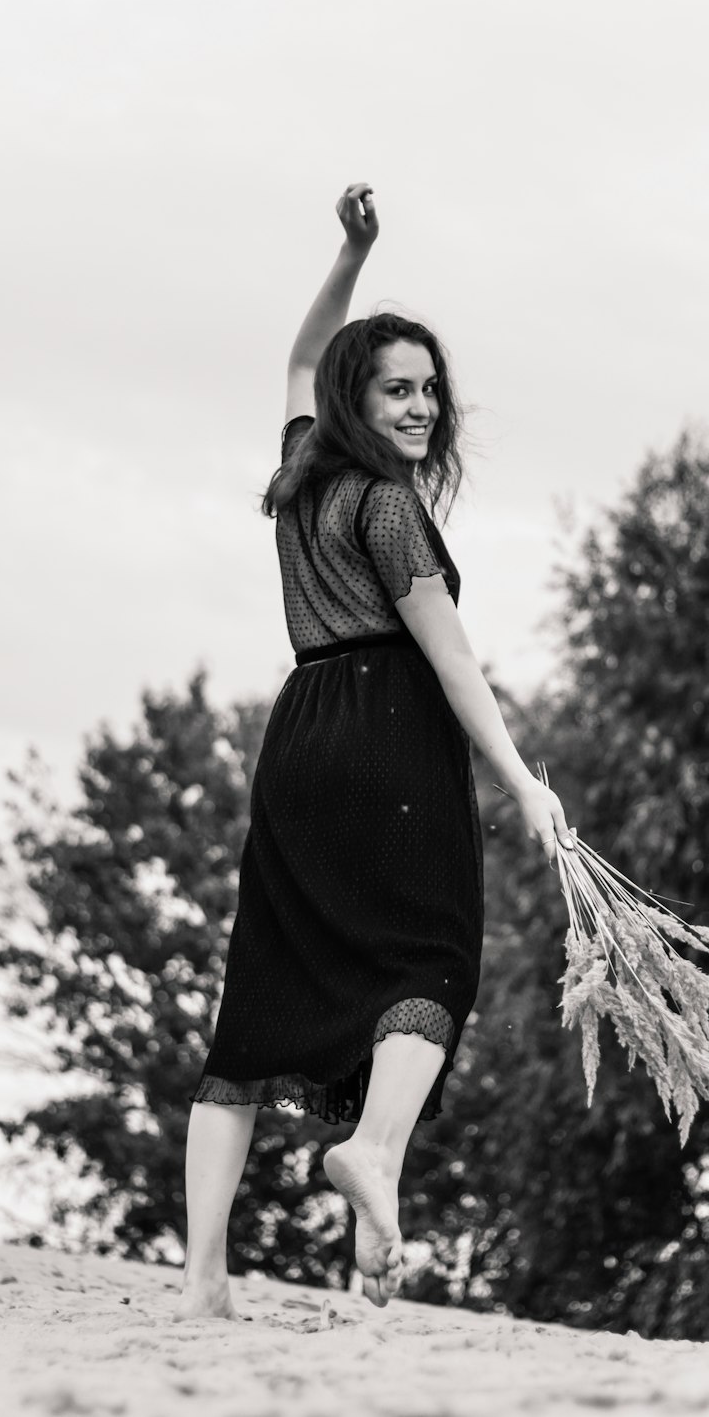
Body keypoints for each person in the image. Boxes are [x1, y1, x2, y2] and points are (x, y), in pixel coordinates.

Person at [175, 183, 574, 1322]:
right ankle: (375, 1156)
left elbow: (301, 354)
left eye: (430, 389)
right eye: (398, 389)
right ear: (361, 400)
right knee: (429, 964)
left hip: (300, 734)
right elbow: (453, 665)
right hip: (392, 738)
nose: (422, 407)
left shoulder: (303, 477)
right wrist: (523, 785)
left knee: (258, 1001)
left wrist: (349, 253)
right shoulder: (390, 512)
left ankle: (214, 1280)